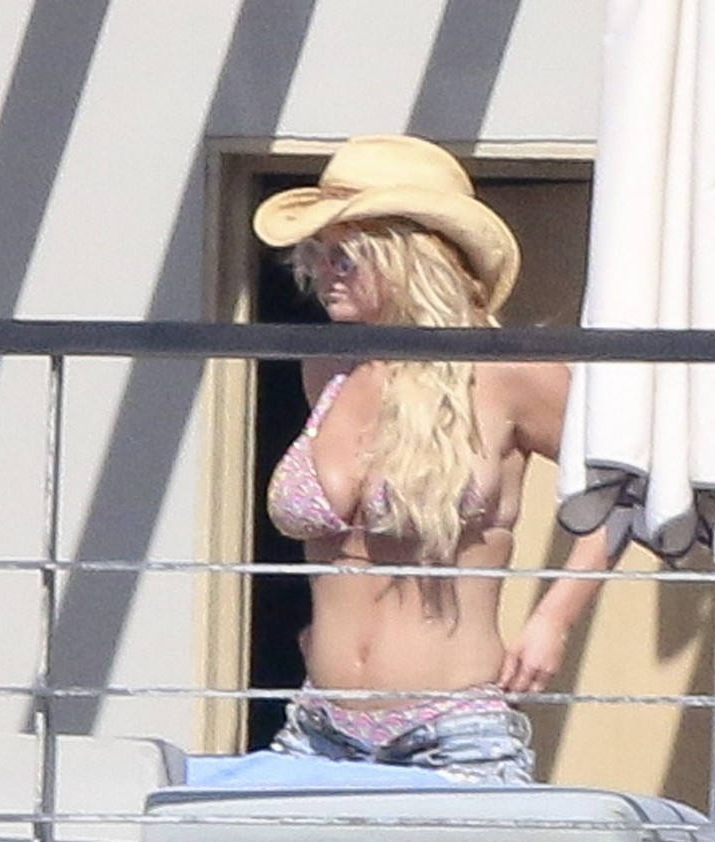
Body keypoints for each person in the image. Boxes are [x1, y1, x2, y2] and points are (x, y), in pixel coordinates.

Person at [253, 135, 611, 785]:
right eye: (317, 253)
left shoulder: (507, 374)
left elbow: (620, 492)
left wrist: (553, 620)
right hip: (317, 726)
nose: (325, 271)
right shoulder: (328, 368)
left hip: (454, 732)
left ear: (408, 256)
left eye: (346, 254)